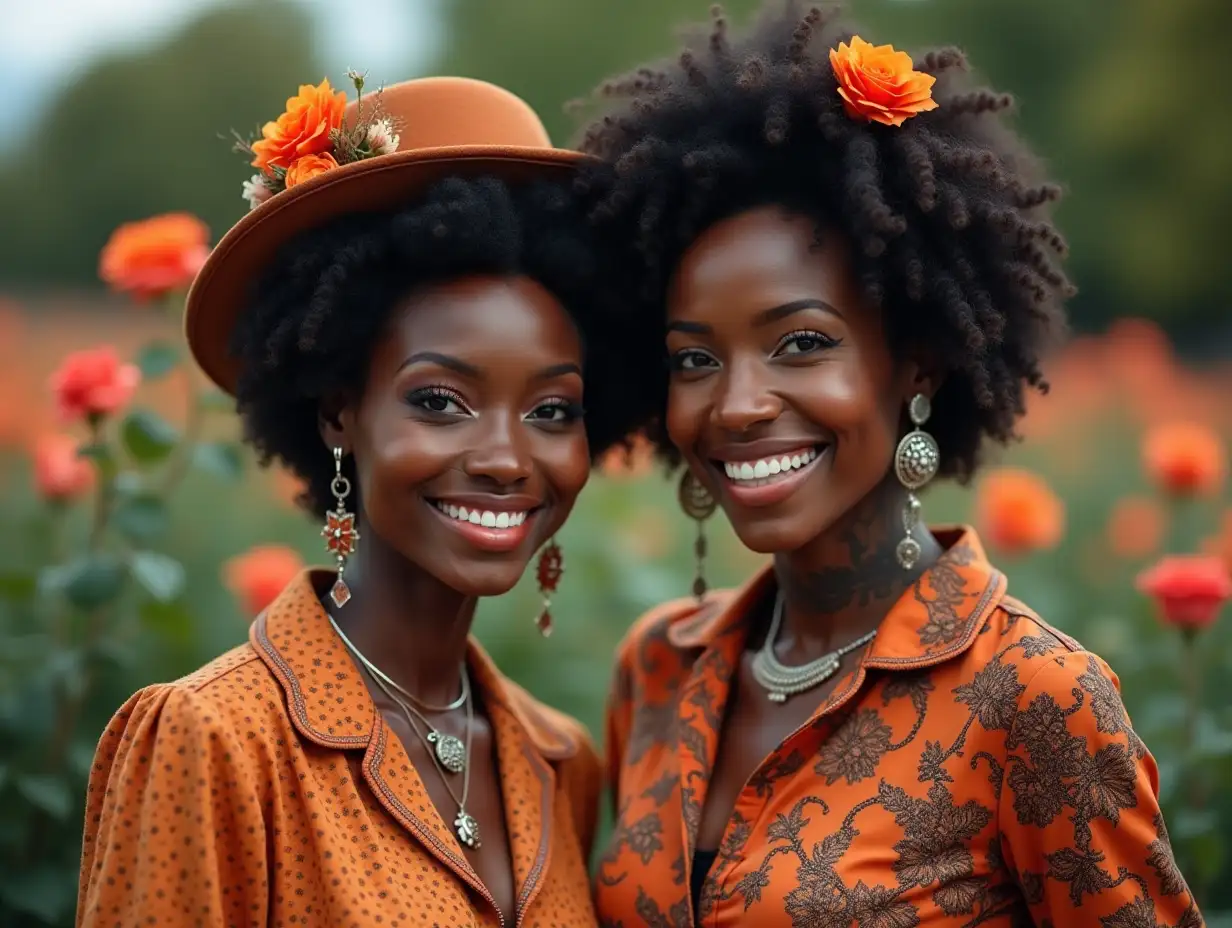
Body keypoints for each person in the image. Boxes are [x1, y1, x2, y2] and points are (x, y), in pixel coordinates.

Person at [578, 3, 1201, 926]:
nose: (738, 403)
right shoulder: (658, 669)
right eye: (694, 359)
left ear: (917, 361)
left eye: (799, 343)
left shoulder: (1033, 697)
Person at [76, 74, 637, 928]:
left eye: (552, 410)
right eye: (441, 400)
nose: (504, 458)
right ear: (340, 410)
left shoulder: (562, 762)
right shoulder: (216, 741)